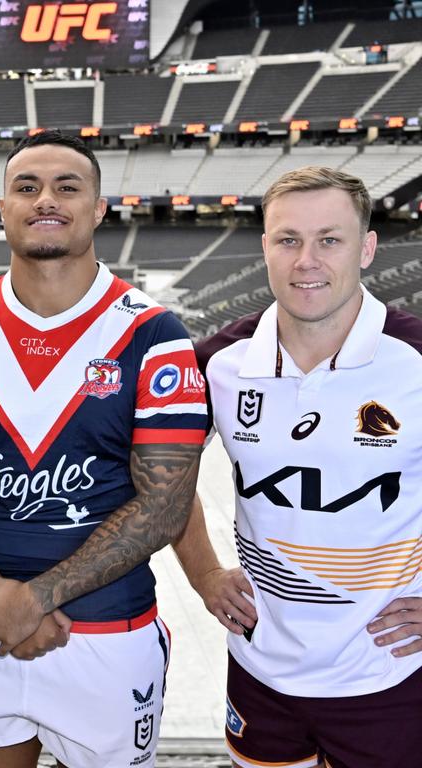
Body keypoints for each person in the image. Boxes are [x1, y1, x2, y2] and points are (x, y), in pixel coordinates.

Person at [0, 129, 207, 768]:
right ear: (3, 206)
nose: (47, 200)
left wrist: (35, 600)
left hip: (105, 635)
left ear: (98, 208)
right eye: (27, 187)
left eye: (68, 187)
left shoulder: (153, 334)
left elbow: (164, 508)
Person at [173, 166, 422, 768]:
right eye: (288, 239)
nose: (306, 259)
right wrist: (205, 573)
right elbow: (160, 479)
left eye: (329, 240)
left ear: (366, 248)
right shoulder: (219, 363)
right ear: (265, 247)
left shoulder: (414, 358)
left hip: (387, 675)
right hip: (261, 669)